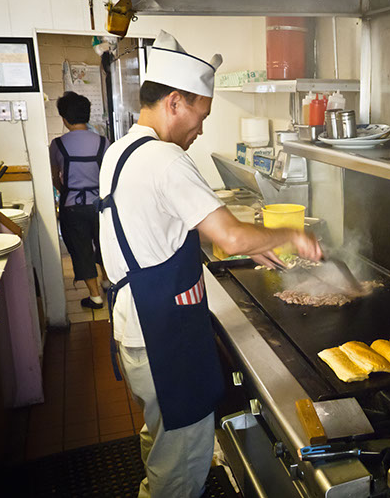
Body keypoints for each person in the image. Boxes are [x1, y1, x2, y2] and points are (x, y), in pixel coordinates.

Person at [97, 30, 321, 498]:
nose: (200, 131)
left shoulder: (121, 150)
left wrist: (246, 244)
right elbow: (231, 233)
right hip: (164, 336)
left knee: (162, 437)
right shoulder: (165, 159)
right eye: (201, 117)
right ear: (175, 102)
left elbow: (159, 221)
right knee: (181, 463)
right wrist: (291, 234)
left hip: (138, 325)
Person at [49, 91, 110, 310]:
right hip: (100, 205)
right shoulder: (104, 142)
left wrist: (67, 190)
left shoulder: (57, 145)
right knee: (105, 245)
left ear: (64, 118)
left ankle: (95, 296)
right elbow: (110, 175)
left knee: (80, 249)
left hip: (72, 206)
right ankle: (107, 281)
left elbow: (55, 177)